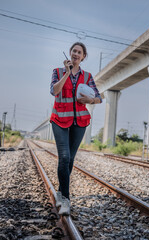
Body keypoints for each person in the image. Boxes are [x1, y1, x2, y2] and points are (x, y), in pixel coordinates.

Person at [50, 42, 102, 215]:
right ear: (70, 53)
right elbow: (54, 91)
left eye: (79, 52)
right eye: (74, 51)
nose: (76, 54)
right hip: (59, 119)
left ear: (83, 56)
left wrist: (89, 100)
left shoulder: (87, 76)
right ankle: (65, 199)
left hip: (79, 121)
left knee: (70, 160)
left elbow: (98, 98)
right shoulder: (57, 72)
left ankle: (59, 191)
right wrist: (66, 73)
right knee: (64, 157)